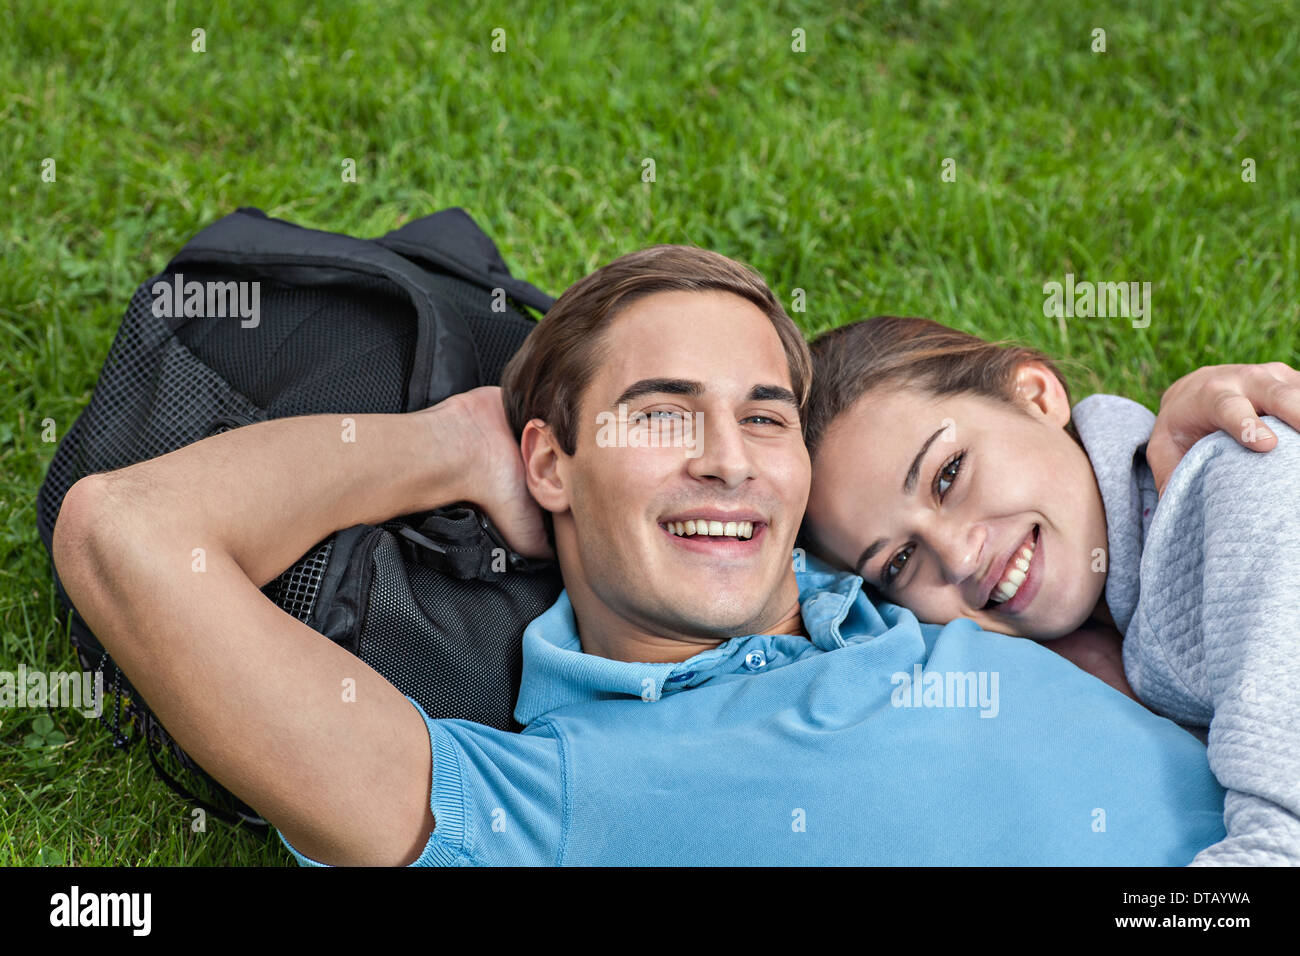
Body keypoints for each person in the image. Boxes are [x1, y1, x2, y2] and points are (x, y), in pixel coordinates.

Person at [51, 246, 1299, 865]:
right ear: (550, 465)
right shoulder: (544, 793)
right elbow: (126, 536)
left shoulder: (910, 597)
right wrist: (442, 447)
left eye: (764, 415)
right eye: (659, 412)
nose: (727, 457)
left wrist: (1153, 451)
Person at [799, 315, 1300, 865]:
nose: (960, 558)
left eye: (948, 475)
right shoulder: (1075, 651)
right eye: (899, 561)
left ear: (1036, 397)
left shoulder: (1248, 486)